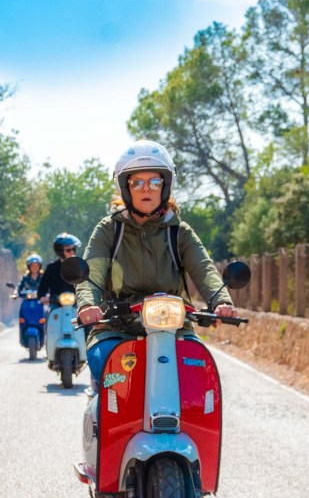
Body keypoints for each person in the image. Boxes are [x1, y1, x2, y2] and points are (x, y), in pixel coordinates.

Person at [75, 139, 237, 383]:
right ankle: (102, 414)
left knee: (199, 376)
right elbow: (92, 270)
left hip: (174, 327)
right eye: (137, 182)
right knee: (110, 371)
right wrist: (88, 305)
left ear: (165, 186)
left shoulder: (179, 231)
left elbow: (203, 267)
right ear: (126, 188)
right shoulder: (109, 229)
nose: (146, 189)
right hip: (116, 326)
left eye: (154, 181)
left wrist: (220, 300)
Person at [36, 233, 81, 305]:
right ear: (60, 251)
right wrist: (43, 297)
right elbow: (41, 290)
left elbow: (86, 286)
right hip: (56, 306)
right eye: (68, 250)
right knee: (47, 314)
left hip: (76, 305)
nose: (72, 252)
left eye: (73, 249)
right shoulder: (51, 268)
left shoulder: (79, 267)